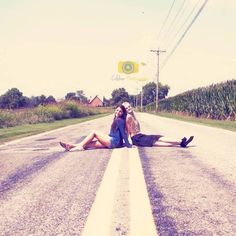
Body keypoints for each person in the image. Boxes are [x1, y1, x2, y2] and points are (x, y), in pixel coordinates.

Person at [59, 105, 132, 151]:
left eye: (120, 111)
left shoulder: (119, 120)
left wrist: (128, 144)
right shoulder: (117, 119)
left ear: (122, 113)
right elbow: (114, 134)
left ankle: (79, 147)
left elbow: (123, 134)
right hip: (112, 141)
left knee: (94, 132)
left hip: (114, 142)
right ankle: (70, 146)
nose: (118, 112)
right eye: (117, 110)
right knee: (90, 143)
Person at [122, 102, 194, 148]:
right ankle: (180, 142)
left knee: (158, 139)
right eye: (126, 108)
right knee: (157, 140)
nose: (129, 108)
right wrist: (128, 143)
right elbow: (127, 131)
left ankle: (181, 143)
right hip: (136, 139)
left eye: (129, 106)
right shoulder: (128, 117)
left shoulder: (133, 115)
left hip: (139, 136)